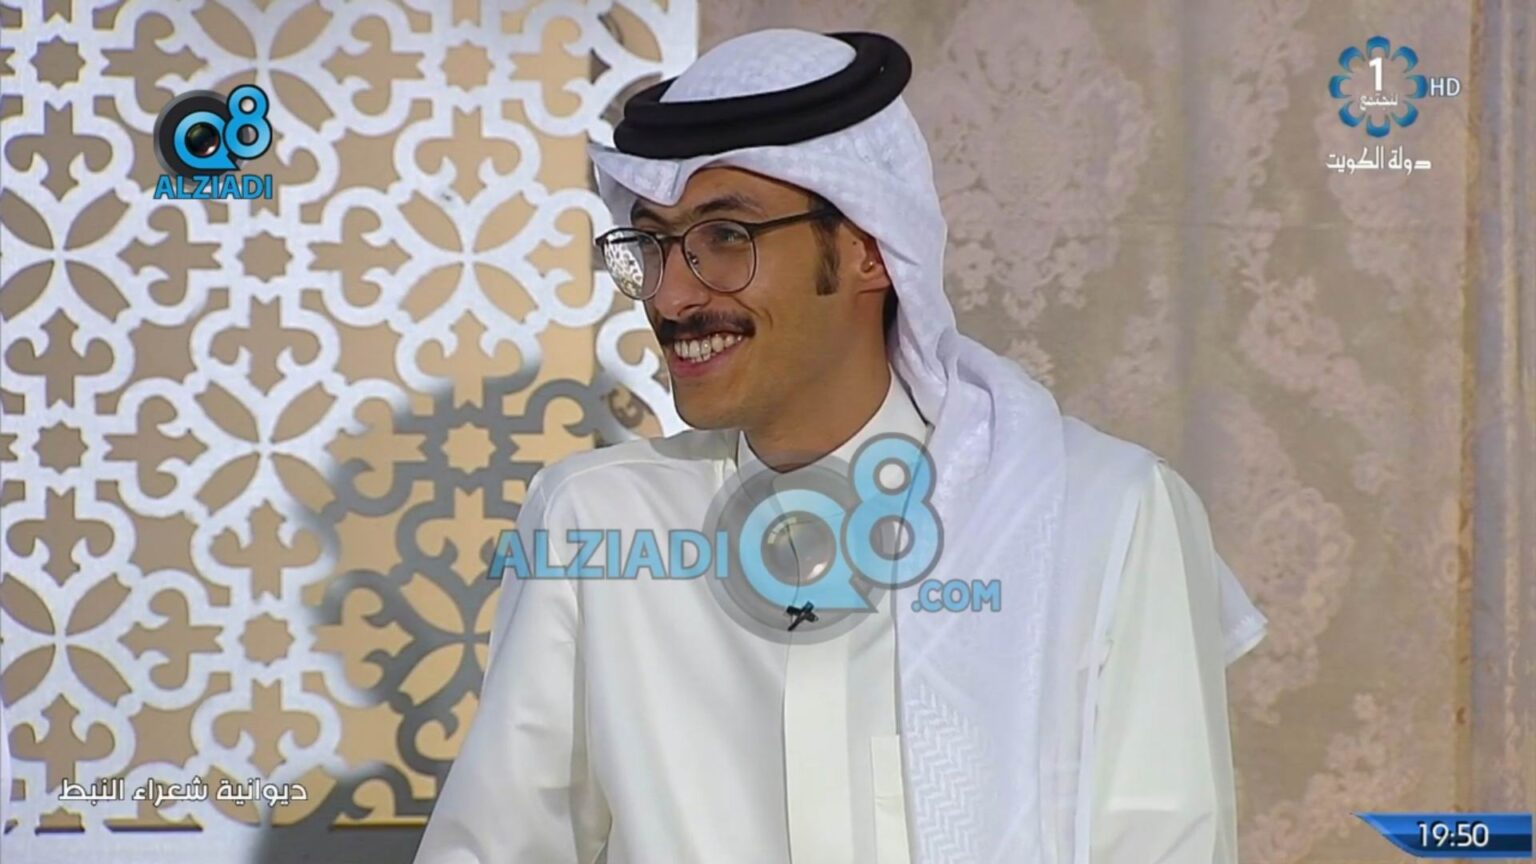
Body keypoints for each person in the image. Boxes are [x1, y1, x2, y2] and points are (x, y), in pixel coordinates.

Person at [414, 28, 1266, 864]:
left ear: (868, 249)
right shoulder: (597, 521)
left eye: (725, 238)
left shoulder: (1105, 517)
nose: (671, 298)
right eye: (654, 245)